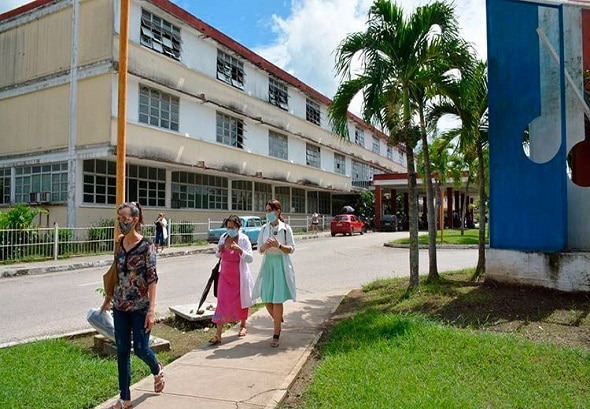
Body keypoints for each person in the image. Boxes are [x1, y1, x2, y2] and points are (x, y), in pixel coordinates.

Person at [100, 202, 164, 409]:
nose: (121, 222)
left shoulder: (147, 246)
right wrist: (108, 298)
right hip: (120, 306)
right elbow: (115, 274)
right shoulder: (119, 243)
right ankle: (125, 397)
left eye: (125, 218)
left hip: (140, 307)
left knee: (141, 349)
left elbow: (152, 279)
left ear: (135, 220)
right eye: (119, 218)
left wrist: (151, 311)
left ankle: (157, 369)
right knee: (122, 351)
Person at [254, 199, 296, 347]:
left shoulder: (286, 229)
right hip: (268, 264)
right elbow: (259, 249)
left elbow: (292, 249)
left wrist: (278, 245)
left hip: (280, 264)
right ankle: (278, 319)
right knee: (266, 297)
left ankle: (276, 333)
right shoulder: (264, 228)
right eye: (266, 211)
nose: (268, 214)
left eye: (270, 211)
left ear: (278, 212)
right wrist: (265, 246)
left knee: (277, 299)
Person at [209, 215, 255, 345]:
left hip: (239, 277)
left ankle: (243, 325)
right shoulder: (224, 237)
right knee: (221, 302)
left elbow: (250, 258)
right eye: (228, 227)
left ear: (238, 227)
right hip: (224, 276)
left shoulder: (244, 239)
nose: (229, 230)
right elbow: (218, 255)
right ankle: (218, 334)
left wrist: (240, 250)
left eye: (232, 227)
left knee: (241, 301)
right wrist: (220, 249)